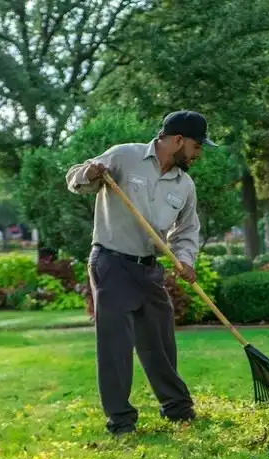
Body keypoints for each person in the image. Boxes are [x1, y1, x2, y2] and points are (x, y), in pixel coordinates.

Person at [65, 110, 218, 437]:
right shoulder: (124, 156)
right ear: (178, 140)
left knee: (161, 340)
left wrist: (185, 258)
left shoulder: (184, 184)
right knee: (116, 346)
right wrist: (91, 172)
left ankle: (177, 407)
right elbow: (75, 180)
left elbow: (187, 230)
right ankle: (121, 421)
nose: (198, 153)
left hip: (149, 268)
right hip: (111, 262)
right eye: (196, 146)